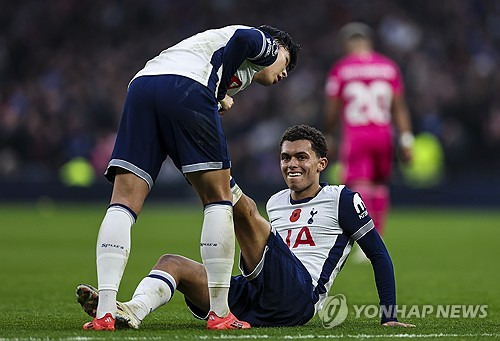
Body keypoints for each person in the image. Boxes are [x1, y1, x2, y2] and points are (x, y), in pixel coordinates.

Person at [77, 125, 414, 329]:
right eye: (285, 157)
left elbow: (379, 255)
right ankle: (132, 311)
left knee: (247, 211)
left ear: (321, 163)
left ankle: (202, 160)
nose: (291, 164)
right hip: (256, 294)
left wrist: (388, 315)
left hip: (298, 299)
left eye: (301, 157)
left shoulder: (342, 198)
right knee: (172, 263)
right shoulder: (278, 200)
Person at [83, 25, 300, 331]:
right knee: (218, 198)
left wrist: (221, 91)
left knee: (123, 202)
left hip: (142, 86)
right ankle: (220, 313)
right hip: (186, 87)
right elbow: (245, 39)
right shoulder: (264, 43)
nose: (285, 72)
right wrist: (220, 91)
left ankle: (105, 312)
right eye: (286, 62)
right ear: (276, 48)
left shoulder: (217, 54)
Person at [324, 22, 414, 240]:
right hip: (384, 134)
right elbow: (399, 107)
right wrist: (406, 139)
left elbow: (332, 109)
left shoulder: (342, 68)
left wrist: (328, 136)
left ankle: (366, 238)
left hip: (356, 135)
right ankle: (378, 235)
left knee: (360, 184)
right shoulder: (389, 67)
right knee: (380, 185)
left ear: (347, 43)